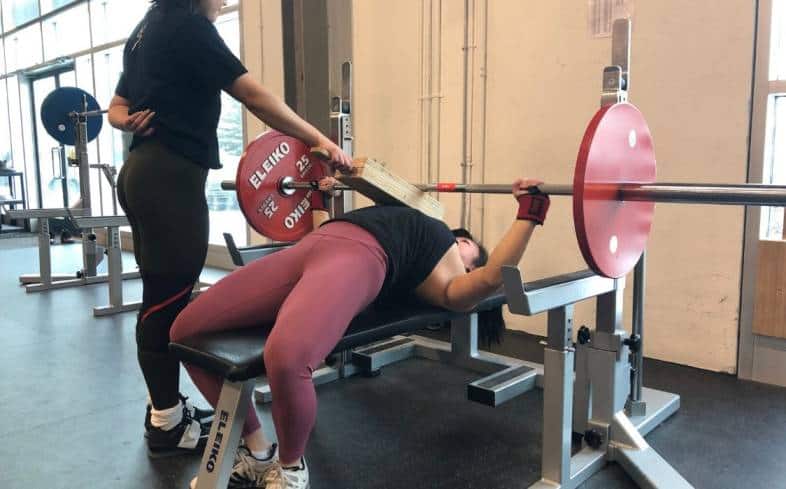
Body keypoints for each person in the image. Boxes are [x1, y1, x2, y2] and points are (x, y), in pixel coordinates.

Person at [171, 179, 550, 488]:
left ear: (469, 263)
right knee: (186, 329)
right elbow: (322, 227)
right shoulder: (419, 218)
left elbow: (492, 277)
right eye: (464, 239)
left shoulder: (449, 285)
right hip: (314, 245)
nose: (464, 241)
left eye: (471, 248)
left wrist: (529, 212)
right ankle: (257, 451)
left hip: (360, 256)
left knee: (286, 359)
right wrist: (322, 194)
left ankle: (290, 470)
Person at [107, 0, 353, 458]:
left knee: (158, 296)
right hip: (169, 179)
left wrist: (126, 120)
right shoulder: (189, 26)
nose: (222, 1)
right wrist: (316, 138)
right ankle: (166, 423)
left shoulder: (147, 28)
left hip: (142, 170)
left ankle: (167, 412)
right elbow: (254, 96)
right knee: (166, 303)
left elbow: (116, 106)